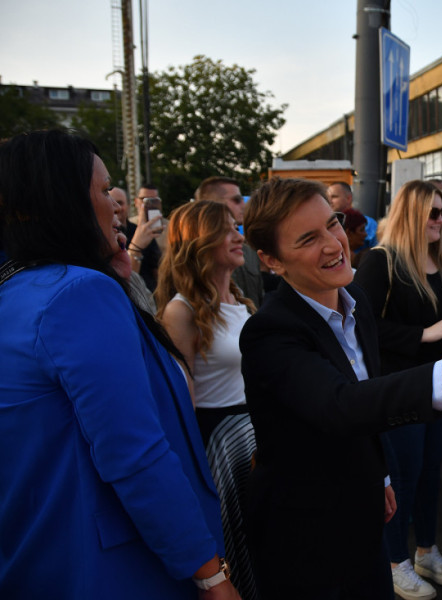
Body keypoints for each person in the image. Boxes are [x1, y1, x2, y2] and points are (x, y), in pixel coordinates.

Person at [238, 178, 442, 599]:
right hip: (306, 531)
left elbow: (366, 395)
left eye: (333, 224)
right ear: (270, 260)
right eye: (308, 239)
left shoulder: (353, 300)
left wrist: (381, 475)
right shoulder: (270, 331)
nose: (334, 243)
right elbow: (342, 405)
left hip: (364, 510)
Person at [0, 130, 238, 598]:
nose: (118, 205)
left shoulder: (19, 292)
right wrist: (210, 574)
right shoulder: (77, 293)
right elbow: (136, 453)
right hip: (120, 567)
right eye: (105, 189)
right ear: (59, 202)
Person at [353, 180, 442, 598]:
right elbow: (363, 327)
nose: (441, 220)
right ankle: (395, 561)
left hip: (439, 386)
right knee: (399, 478)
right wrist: (422, 333)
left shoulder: (440, 261)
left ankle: (426, 551)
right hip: (398, 390)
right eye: (432, 213)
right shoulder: (380, 261)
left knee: (426, 476)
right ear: (410, 214)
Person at [156, 201, 258, 599]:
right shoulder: (180, 311)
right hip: (218, 445)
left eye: (237, 226)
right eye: (226, 229)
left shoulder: (238, 297)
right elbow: (182, 406)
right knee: (238, 550)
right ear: (199, 242)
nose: (238, 235)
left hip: (254, 435)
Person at [196, 176, 265, 309]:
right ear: (210, 203)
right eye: (236, 200)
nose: (244, 205)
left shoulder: (249, 251)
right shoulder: (194, 255)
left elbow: (259, 300)